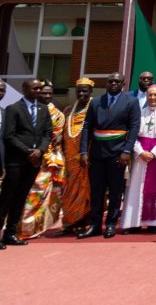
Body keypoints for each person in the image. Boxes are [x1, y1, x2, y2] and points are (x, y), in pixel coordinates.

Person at [79, 72, 140, 239]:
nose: (114, 83)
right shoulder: (96, 102)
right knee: (97, 190)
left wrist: (127, 151)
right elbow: (87, 127)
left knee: (115, 190)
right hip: (97, 152)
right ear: (106, 83)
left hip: (118, 152)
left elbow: (134, 127)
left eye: (117, 81)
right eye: (111, 81)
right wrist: (84, 151)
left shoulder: (131, 101)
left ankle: (111, 224)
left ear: (123, 83)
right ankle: (96, 224)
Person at [1, 79, 52, 248]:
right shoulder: (13, 109)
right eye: (34, 88)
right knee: (7, 197)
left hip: (34, 162)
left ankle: (11, 233)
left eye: (39, 88)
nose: (38, 91)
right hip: (16, 160)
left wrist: (40, 150)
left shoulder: (43, 109)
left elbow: (47, 133)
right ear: (24, 89)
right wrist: (28, 151)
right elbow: (9, 135)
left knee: (21, 197)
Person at [120, 85, 156, 232]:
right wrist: (140, 151)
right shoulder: (138, 113)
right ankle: (134, 223)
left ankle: (153, 223)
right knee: (136, 188)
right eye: (150, 95)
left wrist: (155, 152)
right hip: (140, 156)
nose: (153, 98)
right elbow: (131, 135)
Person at [18, 82, 65, 239]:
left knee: (43, 196)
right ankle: (22, 227)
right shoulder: (28, 110)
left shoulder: (58, 115)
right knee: (26, 194)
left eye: (49, 93)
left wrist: (43, 153)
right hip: (26, 158)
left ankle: (36, 228)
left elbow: (55, 138)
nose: (46, 95)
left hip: (48, 161)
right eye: (43, 93)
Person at [60, 77, 93, 234]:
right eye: (79, 91)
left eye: (85, 91)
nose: (81, 94)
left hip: (86, 156)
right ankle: (69, 222)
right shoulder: (68, 110)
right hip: (69, 158)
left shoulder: (94, 107)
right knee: (68, 189)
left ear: (91, 92)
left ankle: (82, 221)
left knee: (86, 189)